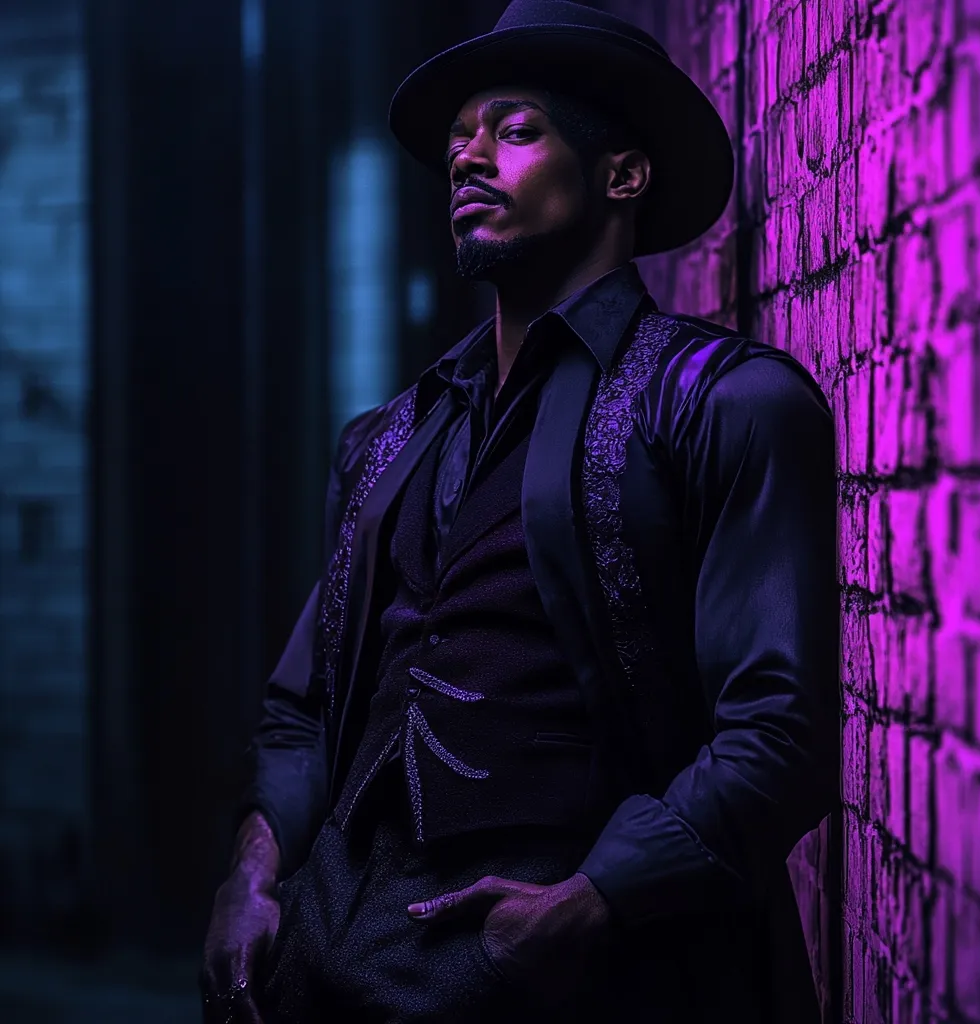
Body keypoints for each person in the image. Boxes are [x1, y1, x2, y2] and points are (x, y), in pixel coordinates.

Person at [200, 1, 839, 1021]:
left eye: (513, 129)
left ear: (620, 176)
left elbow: (779, 734)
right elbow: (303, 703)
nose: (467, 157)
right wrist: (254, 873)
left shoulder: (725, 402)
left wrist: (589, 905)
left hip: (567, 970)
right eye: (458, 141)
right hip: (327, 955)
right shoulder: (385, 442)